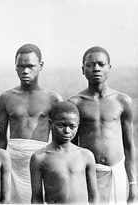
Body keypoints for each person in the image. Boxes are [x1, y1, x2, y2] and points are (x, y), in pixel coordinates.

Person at [68, 46, 138, 203]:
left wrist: (133, 185)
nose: (96, 69)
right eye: (90, 65)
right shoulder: (75, 103)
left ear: (109, 68)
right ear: (83, 69)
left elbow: (129, 146)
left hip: (116, 172)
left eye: (101, 64)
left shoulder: (122, 101)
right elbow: (71, 148)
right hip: (88, 175)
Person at [0, 43, 62, 203]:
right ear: (15, 67)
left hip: (41, 160)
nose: (25, 71)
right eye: (21, 66)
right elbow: (2, 139)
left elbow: (58, 141)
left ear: (41, 66)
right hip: (13, 161)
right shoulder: (6, 98)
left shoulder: (53, 99)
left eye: (31, 66)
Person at [30, 101, 99, 204]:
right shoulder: (40, 157)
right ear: (50, 124)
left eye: (72, 126)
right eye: (61, 125)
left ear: (78, 125)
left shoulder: (86, 155)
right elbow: (36, 199)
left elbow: (94, 197)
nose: (67, 130)